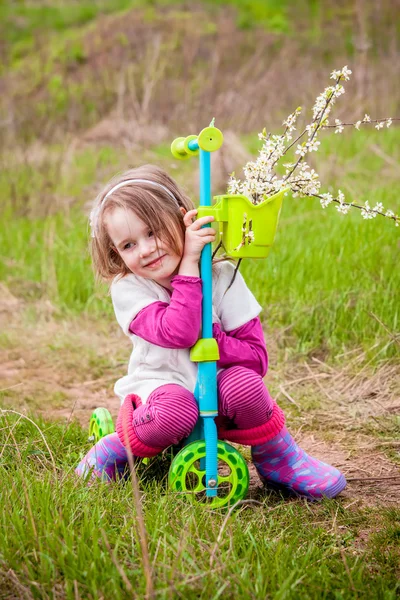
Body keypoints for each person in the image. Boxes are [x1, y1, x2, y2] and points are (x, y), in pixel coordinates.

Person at [76, 164, 346, 500]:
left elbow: (257, 358)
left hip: (219, 396)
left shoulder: (222, 276)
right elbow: (179, 332)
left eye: (153, 232)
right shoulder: (130, 288)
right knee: (175, 409)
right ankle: (116, 449)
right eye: (129, 245)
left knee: (246, 384)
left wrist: (216, 342)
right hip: (162, 389)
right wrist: (189, 265)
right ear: (116, 252)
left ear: (183, 220)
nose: (145, 249)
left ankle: (278, 457)